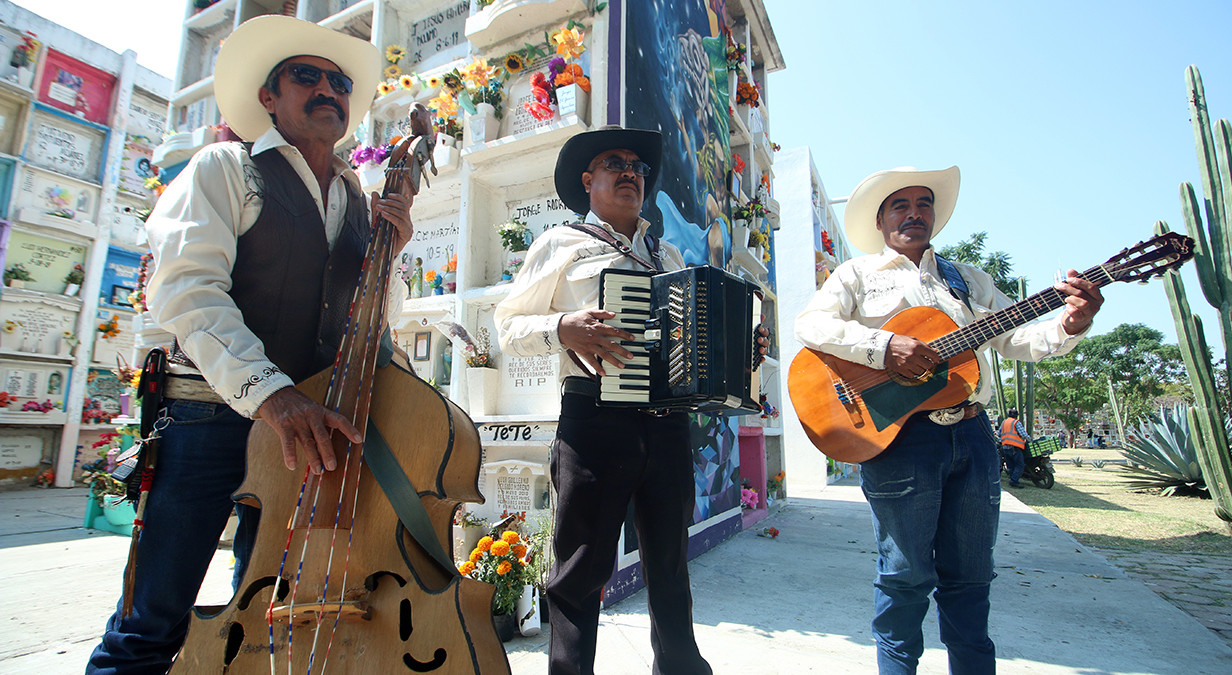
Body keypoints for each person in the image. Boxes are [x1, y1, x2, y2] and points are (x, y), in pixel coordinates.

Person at [87, 15, 416, 673]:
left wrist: (392, 251)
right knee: (150, 622)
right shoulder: (225, 167)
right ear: (270, 98)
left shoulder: (357, 200)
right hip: (209, 421)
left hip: (308, 436)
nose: (326, 88)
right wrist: (274, 394)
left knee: (275, 623)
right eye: (306, 76)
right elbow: (187, 294)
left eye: (338, 82)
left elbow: (372, 327)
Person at [794, 166, 1103, 674]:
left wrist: (1073, 322)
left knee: (971, 576)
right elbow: (811, 326)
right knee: (904, 575)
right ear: (881, 220)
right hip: (898, 440)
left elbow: (1017, 339)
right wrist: (885, 346)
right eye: (902, 205)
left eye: (924, 203)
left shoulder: (969, 280)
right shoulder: (856, 275)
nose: (915, 212)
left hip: (974, 435)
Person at [497, 127, 762, 675]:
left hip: (666, 427)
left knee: (669, 563)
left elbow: (696, 336)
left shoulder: (666, 254)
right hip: (595, 420)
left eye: (638, 166)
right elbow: (507, 326)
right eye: (614, 163)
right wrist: (563, 327)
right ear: (587, 181)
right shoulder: (560, 243)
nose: (630, 172)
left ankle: (680, 667)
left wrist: (741, 347)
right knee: (580, 569)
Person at [999, 408, 1032, 488]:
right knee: (1020, 465)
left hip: (1005, 447)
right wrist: (1029, 439)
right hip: (1015, 448)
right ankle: (1014, 481)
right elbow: (1023, 434)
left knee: (1011, 465)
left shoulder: (1004, 422)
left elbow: (999, 433)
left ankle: (1013, 479)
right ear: (1016, 416)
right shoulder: (1015, 422)